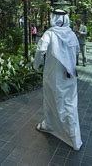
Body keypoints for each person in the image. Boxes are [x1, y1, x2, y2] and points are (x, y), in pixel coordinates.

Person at [33, 9, 82, 151]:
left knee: (51, 101)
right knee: (68, 104)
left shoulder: (50, 34)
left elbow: (40, 50)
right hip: (70, 76)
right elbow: (77, 51)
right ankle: (69, 135)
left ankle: (68, 135)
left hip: (52, 76)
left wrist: (36, 66)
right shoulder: (72, 34)